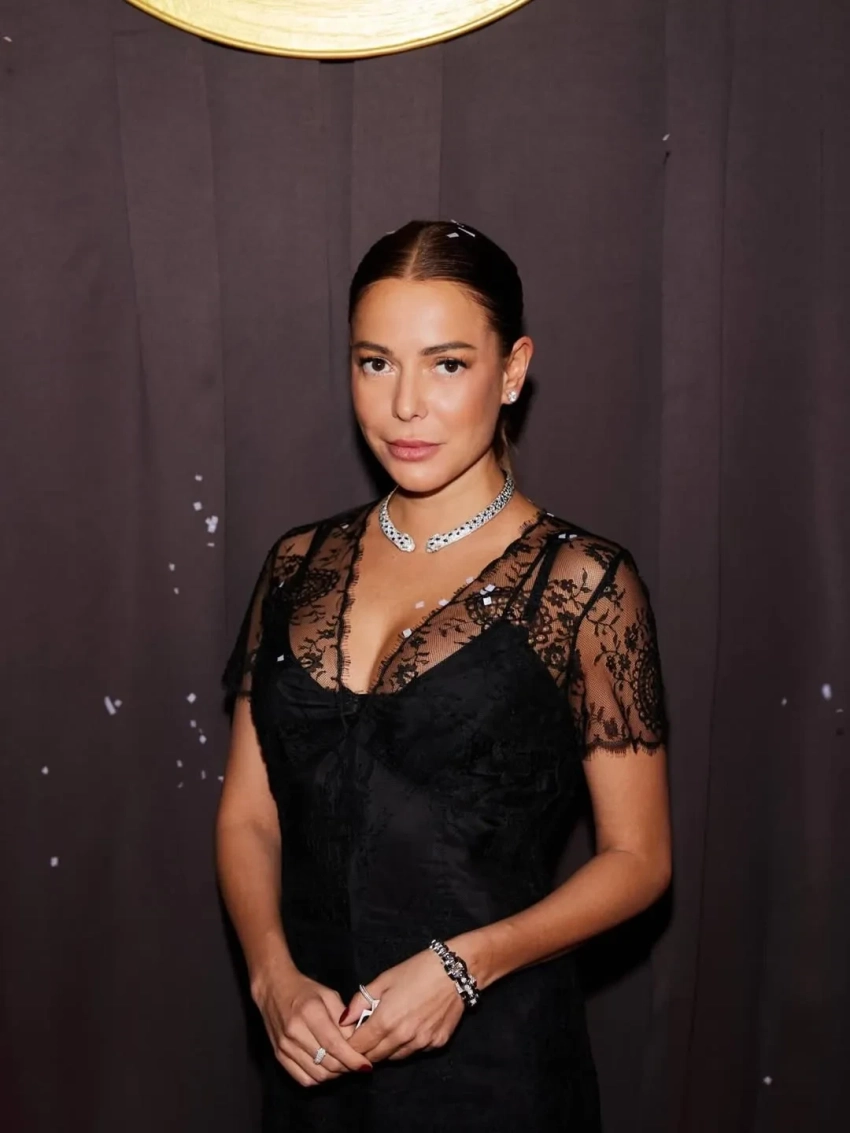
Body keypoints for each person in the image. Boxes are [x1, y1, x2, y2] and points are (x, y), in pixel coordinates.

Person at [216, 219, 672, 1131]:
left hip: (497, 1068)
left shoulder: (584, 584)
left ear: (512, 370)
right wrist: (271, 977)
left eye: (448, 364)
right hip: (313, 1066)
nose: (405, 406)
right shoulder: (297, 566)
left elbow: (638, 859)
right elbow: (248, 816)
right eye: (375, 363)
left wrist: (467, 966)